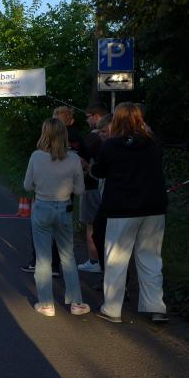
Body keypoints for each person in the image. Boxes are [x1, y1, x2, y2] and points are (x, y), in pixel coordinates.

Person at [91, 102, 168, 324]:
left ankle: (112, 309)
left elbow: (99, 171)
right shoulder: (152, 143)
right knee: (150, 258)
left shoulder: (111, 145)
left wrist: (92, 166)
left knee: (116, 258)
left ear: (116, 119)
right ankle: (156, 307)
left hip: (122, 208)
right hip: (154, 207)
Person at [23, 118, 89, 317]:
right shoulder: (74, 159)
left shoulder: (36, 156)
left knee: (43, 258)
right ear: (64, 135)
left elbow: (27, 186)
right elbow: (80, 190)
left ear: (45, 134)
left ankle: (46, 304)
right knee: (67, 256)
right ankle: (76, 303)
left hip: (41, 208)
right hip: (64, 209)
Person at [78, 103, 110, 273]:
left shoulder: (94, 137)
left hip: (92, 185)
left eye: (88, 117)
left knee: (91, 223)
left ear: (96, 116)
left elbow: (82, 156)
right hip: (101, 187)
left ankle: (94, 260)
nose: (87, 120)